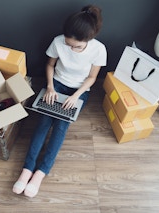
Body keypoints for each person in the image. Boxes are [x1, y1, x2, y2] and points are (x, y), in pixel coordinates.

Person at [13, 4, 107, 198]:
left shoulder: (99, 50)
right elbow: (50, 64)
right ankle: (27, 169)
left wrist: (75, 96)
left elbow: (91, 78)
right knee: (43, 122)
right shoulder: (58, 42)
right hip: (55, 84)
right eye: (68, 44)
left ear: (88, 39)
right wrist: (50, 87)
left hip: (78, 90)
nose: (71, 48)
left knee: (61, 125)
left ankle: (40, 173)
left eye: (77, 46)